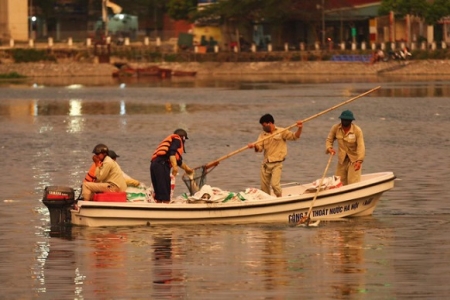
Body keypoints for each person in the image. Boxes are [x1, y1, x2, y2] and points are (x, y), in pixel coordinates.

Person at [248, 114, 303, 197]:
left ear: (270, 123)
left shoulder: (281, 131)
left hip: (277, 164)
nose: (263, 127)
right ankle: (266, 203)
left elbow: (295, 137)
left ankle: (280, 199)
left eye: (264, 125)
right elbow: (259, 148)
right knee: (264, 188)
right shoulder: (263, 135)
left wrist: (300, 128)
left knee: (275, 185)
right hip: (266, 164)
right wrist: (254, 146)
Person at [150, 128, 194, 203]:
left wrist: (187, 169)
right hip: (161, 165)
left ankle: (159, 205)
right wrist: (175, 167)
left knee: (159, 190)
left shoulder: (172, 141)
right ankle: (165, 208)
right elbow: (172, 153)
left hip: (154, 165)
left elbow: (178, 161)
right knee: (165, 190)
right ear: (183, 137)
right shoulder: (177, 140)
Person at [325, 110, 365, 185]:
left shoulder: (357, 130)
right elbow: (329, 140)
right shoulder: (336, 128)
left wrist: (359, 161)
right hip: (341, 160)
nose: (345, 121)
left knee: (353, 182)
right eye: (344, 120)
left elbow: (361, 146)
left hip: (354, 160)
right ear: (341, 119)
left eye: (347, 120)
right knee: (339, 182)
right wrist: (329, 148)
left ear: (351, 121)